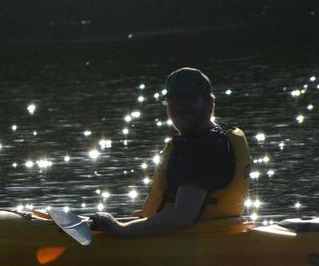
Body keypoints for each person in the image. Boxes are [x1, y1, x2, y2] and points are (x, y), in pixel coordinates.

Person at [91, 67, 249, 238]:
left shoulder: (203, 148)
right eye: (174, 100)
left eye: (188, 99)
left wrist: (122, 229)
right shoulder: (211, 139)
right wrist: (150, 220)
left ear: (209, 102)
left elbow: (182, 216)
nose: (180, 107)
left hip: (197, 243)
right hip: (217, 233)